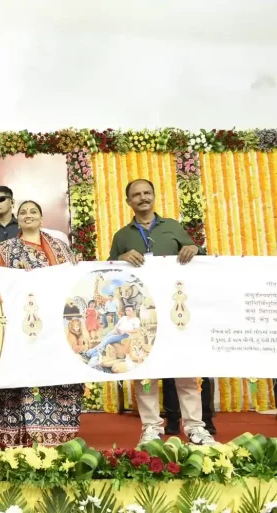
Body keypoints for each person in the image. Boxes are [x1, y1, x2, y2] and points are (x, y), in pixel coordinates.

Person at [108, 178, 215, 446]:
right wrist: (120, 259)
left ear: (154, 196)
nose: (142, 198)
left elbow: (197, 257)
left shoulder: (173, 227)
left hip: (174, 313)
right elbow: (109, 270)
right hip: (141, 316)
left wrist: (195, 248)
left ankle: (195, 427)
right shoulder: (122, 236)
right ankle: (151, 428)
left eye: (147, 193)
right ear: (128, 201)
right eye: (136, 194)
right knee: (145, 373)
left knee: (185, 370)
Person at [0, 199, 84, 447]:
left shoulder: (61, 249)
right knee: (18, 376)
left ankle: (55, 432)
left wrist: (78, 265)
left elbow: (72, 284)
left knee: (54, 376)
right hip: (19, 329)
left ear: (42, 219)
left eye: (33, 212)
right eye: (23, 212)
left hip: (53, 329)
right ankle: (14, 435)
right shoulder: (3, 251)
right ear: (17, 219)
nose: (28, 215)